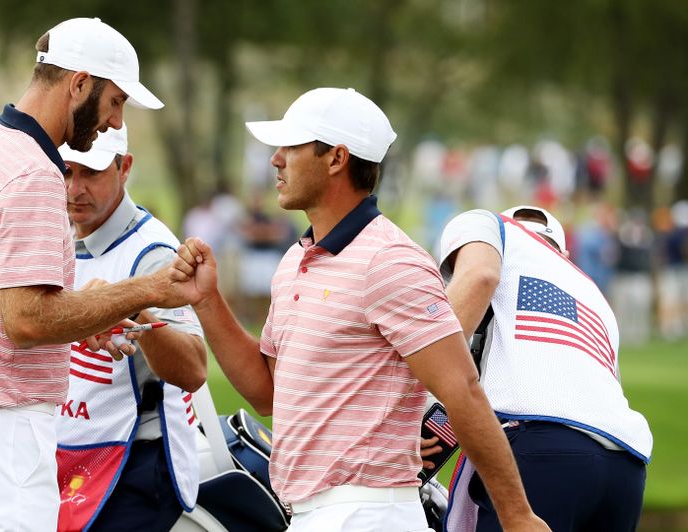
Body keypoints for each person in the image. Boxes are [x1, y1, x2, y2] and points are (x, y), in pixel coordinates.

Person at [169, 87, 548, 532]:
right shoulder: (296, 260)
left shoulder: (390, 260)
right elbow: (266, 393)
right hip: (314, 513)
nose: (275, 159)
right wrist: (208, 301)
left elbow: (462, 388)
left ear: (336, 159)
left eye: (291, 146)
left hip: (369, 511)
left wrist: (517, 515)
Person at [0, 18, 188, 531]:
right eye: (115, 101)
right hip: (0, 440)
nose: (116, 122)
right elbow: (27, 319)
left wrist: (87, 314)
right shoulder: (33, 172)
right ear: (79, 84)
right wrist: (150, 288)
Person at [434, 205, 652, 531]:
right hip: (626, 463)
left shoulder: (493, 228)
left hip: (540, 446)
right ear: (563, 252)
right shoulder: (594, 295)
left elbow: (478, 279)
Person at [54, 124, 207, 532]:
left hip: (134, 464)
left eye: (92, 172)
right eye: (66, 171)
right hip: (71, 454)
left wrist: (132, 304)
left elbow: (193, 369)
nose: (75, 188)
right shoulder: (61, 236)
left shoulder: (152, 252)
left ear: (125, 169)